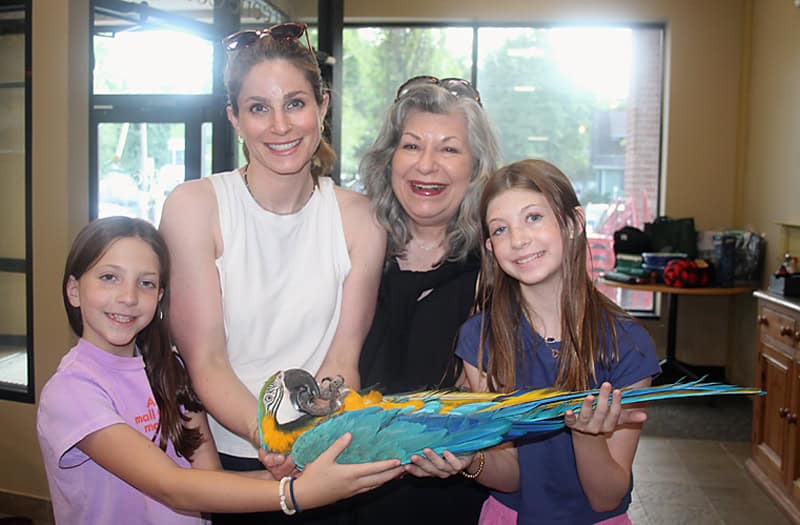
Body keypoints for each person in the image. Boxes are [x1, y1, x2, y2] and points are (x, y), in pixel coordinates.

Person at [158, 22, 386, 523]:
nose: (280, 126)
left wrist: (308, 439)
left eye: (295, 103)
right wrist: (272, 436)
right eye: (259, 107)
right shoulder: (195, 206)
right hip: (230, 459)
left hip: (322, 451)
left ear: (322, 107)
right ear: (234, 118)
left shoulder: (360, 218)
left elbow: (343, 355)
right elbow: (207, 361)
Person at [36, 217, 403, 525]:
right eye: (109, 278)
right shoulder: (72, 391)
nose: (128, 297)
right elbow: (172, 486)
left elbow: (206, 481)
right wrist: (295, 494)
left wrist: (286, 475)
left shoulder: (170, 370)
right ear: (73, 289)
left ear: (160, 295)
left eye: (146, 283)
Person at [407, 159, 661, 524]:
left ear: (573, 222)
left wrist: (587, 438)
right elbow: (512, 473)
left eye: (533, 218)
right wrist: (470, 460)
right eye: (500, 229)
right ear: (491, 247)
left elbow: (607, 498)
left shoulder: (628, 346)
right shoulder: (480, 340)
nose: (519, 239)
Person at [354, 77, 501, 524]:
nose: (427, 165)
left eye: (450, 149)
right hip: (344, 499)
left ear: (476, 168)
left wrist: (471, 460)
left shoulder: (496, 270)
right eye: (413, 146)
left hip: (450, 505)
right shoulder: (355, 253)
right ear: (389, 160)